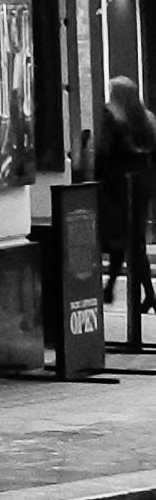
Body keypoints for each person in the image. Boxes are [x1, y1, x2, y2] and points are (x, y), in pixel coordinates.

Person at [101, 76, 156, 351]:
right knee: (135, 240)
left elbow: (104, 153)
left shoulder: (113, 117)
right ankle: (146, 293)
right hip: (142, 185)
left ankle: (114, 286)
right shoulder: (147, 119)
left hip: (118, 187)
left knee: (120, 239)